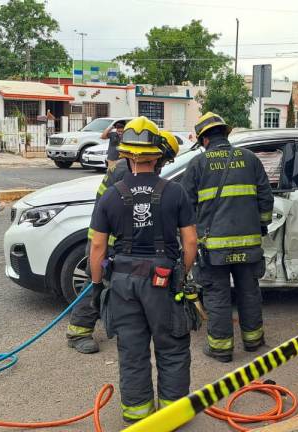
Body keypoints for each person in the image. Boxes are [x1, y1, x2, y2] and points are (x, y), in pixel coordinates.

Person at [88, 117, 197, 422]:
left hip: (123, 283)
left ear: (125, 155)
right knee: (172, 347)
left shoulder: (111, 195)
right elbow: (190, 241)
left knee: (132, 351)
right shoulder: (175, 192)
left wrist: (97, 286)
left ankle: (137, 415)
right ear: (157, 155)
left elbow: (97, 248)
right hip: (163, 281)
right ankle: (173, 416)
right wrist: (181, 273)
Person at [66, 130, 180, 354]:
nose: (163, 162)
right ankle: (78, 331)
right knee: (96, 282)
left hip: (114, 238)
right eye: (165, 157)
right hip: (106, 239)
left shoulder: (132, 166)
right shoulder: (125, 169)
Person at [181, 112, 274, 363]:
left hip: (214, 249)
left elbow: (186, 207)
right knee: (249, 292)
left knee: (217, 296)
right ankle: (253, 341)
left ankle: (221, 349)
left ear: (204, 140)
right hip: (249, 245)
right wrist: (261, 225)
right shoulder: (250, 159)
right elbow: (266, 198)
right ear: (225, 133)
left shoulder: (198, 165)